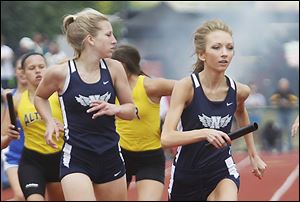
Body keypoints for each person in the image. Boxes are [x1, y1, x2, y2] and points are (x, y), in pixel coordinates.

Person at [34, 8, 136, 201]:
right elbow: (39, 97)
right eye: (108, 34)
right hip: (76, 157)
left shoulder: (114, 69)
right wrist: (49, 121)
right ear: (90, 39)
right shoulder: (60, 73)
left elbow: (131, 110)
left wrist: (116, 108)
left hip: (110, 155)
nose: (114, 40)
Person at [161, 19, 267, 201]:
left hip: (221, 169)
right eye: (217, 47)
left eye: (229, 48)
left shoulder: (239, 91)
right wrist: (204, 133)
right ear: (202, 54)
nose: (224, 53)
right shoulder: (186, 87)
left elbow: (241, 112)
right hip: (187, 174)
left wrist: (253, 154)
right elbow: (167, 138)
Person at [112, 45, 175, 201]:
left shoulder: (149, 85)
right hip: (119, 155)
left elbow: (187, 88)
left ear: (123, 65)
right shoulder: (110, 86)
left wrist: (173, 121)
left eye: (112, 65)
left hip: (150, 156)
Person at [1, 52, 65, 201]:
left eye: (41, 67)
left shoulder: (60, 95)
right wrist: (9, 137)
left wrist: (66, 128)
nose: (37, 70)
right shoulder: (16, 100)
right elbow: (2, 141)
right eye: (32, 68)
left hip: (60, 159)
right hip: (32, 162)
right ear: (22, 73)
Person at [1, 56, 27, 200]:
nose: (23, 72)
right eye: (19, 68)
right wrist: (8, 104)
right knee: (21, 196)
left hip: (41, 154)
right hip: (14, 155)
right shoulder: (11, 96)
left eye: (26, 68)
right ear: (15, 71)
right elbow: (4, 132)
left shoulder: (43, 96)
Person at [270, 77, 298, 151]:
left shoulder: (290, 92)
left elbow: (294, 102)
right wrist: (280, 103)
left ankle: (290, 145)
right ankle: (281, 146)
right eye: (282, 84)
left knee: (289, 129)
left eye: (284, 84)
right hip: (280, 112)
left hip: (288, 113)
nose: (283, 86)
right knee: (280, 129)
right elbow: (273, 102)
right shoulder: (277, 92)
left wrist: (287, 103)